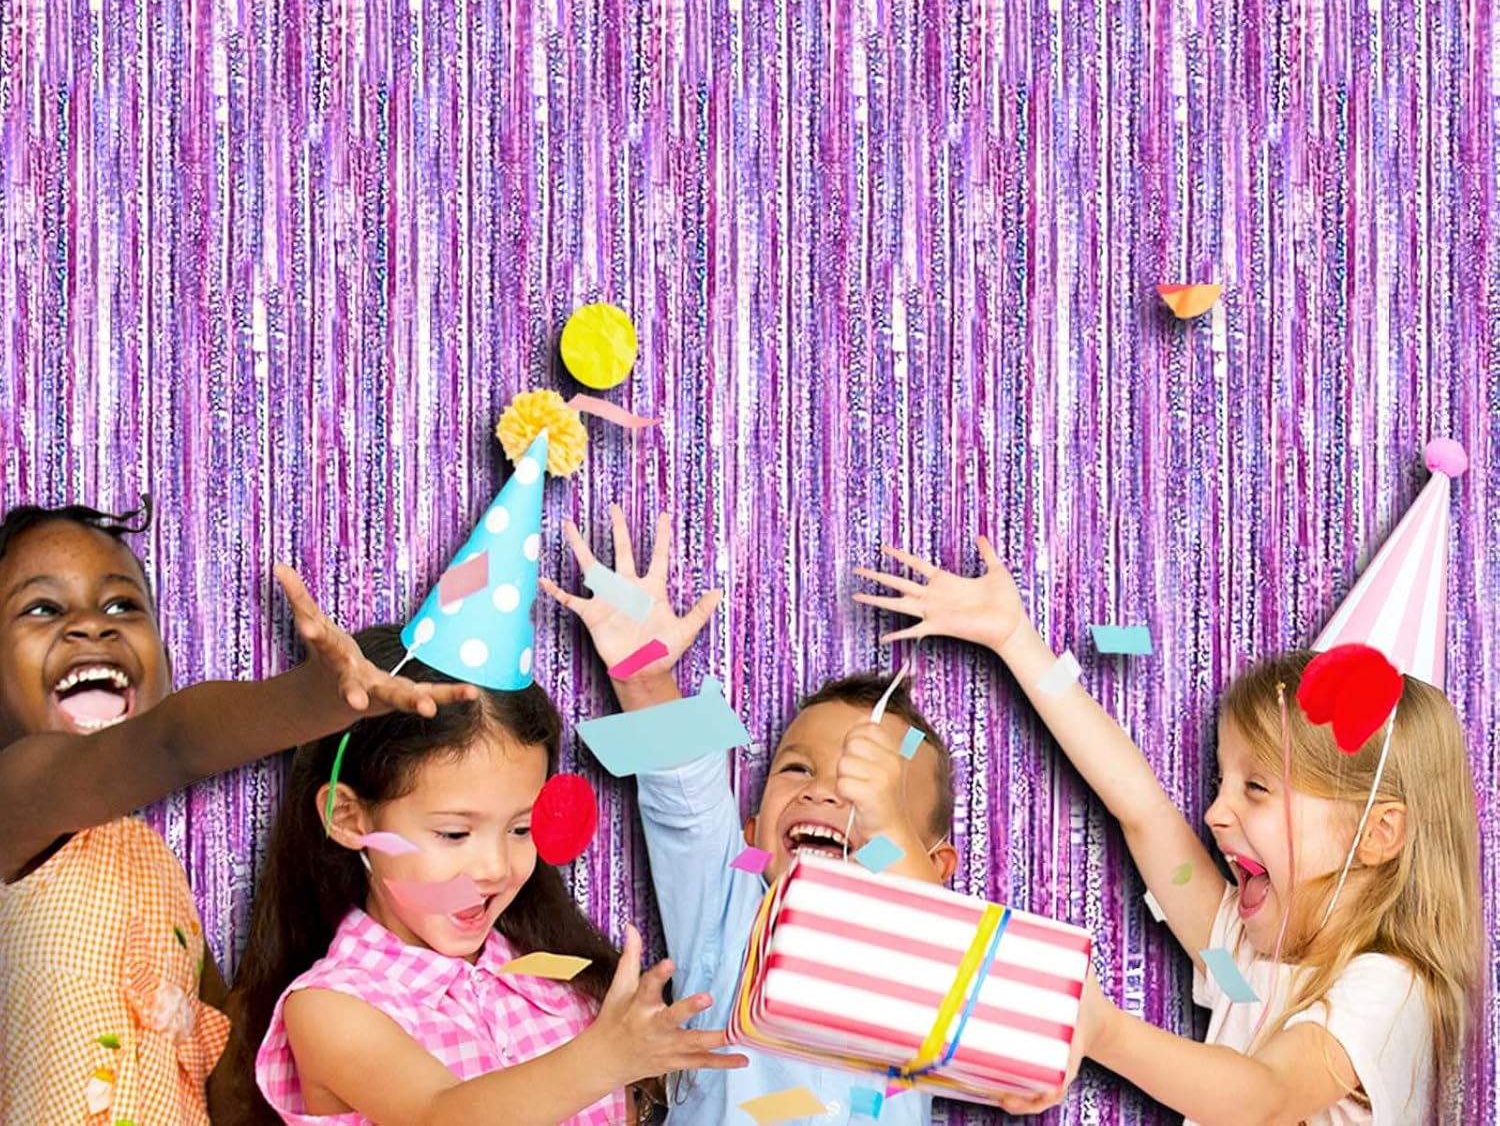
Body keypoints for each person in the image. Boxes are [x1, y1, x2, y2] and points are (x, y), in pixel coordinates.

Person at [856, 536, 1485, 1122]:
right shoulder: (1242, 955)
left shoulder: (1390, 988)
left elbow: (1263, 1096)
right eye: (1221, 782)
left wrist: (1105, 1030)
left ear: (1376, 834)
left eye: (1256, 788)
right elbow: (1142, 810)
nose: (1215, 813)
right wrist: (1016, 639)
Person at [0, 499, 477, 1124]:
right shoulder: (16, 800)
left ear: (166, 662)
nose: (93, 626)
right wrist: (316, 698)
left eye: (121, 606)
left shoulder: (147, 863)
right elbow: (170, 744)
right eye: (42, 608)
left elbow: (221, 1061)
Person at [544, 506, 960, 1124]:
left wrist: (892, 850)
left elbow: (932, 924)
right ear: (751, 835)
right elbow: (684, 800)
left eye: (868, 787)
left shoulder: (937, 967)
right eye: (798, 770)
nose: (823, 793)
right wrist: (645, 680)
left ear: (936, 865)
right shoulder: (732, 906)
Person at [234, 624, 746, 1125]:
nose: (496, 868)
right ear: (350, 818)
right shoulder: (332, 1005)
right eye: (455, 834)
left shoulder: (557, 974)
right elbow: (438, 1114)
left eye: (521, 829)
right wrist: (605, 1059)